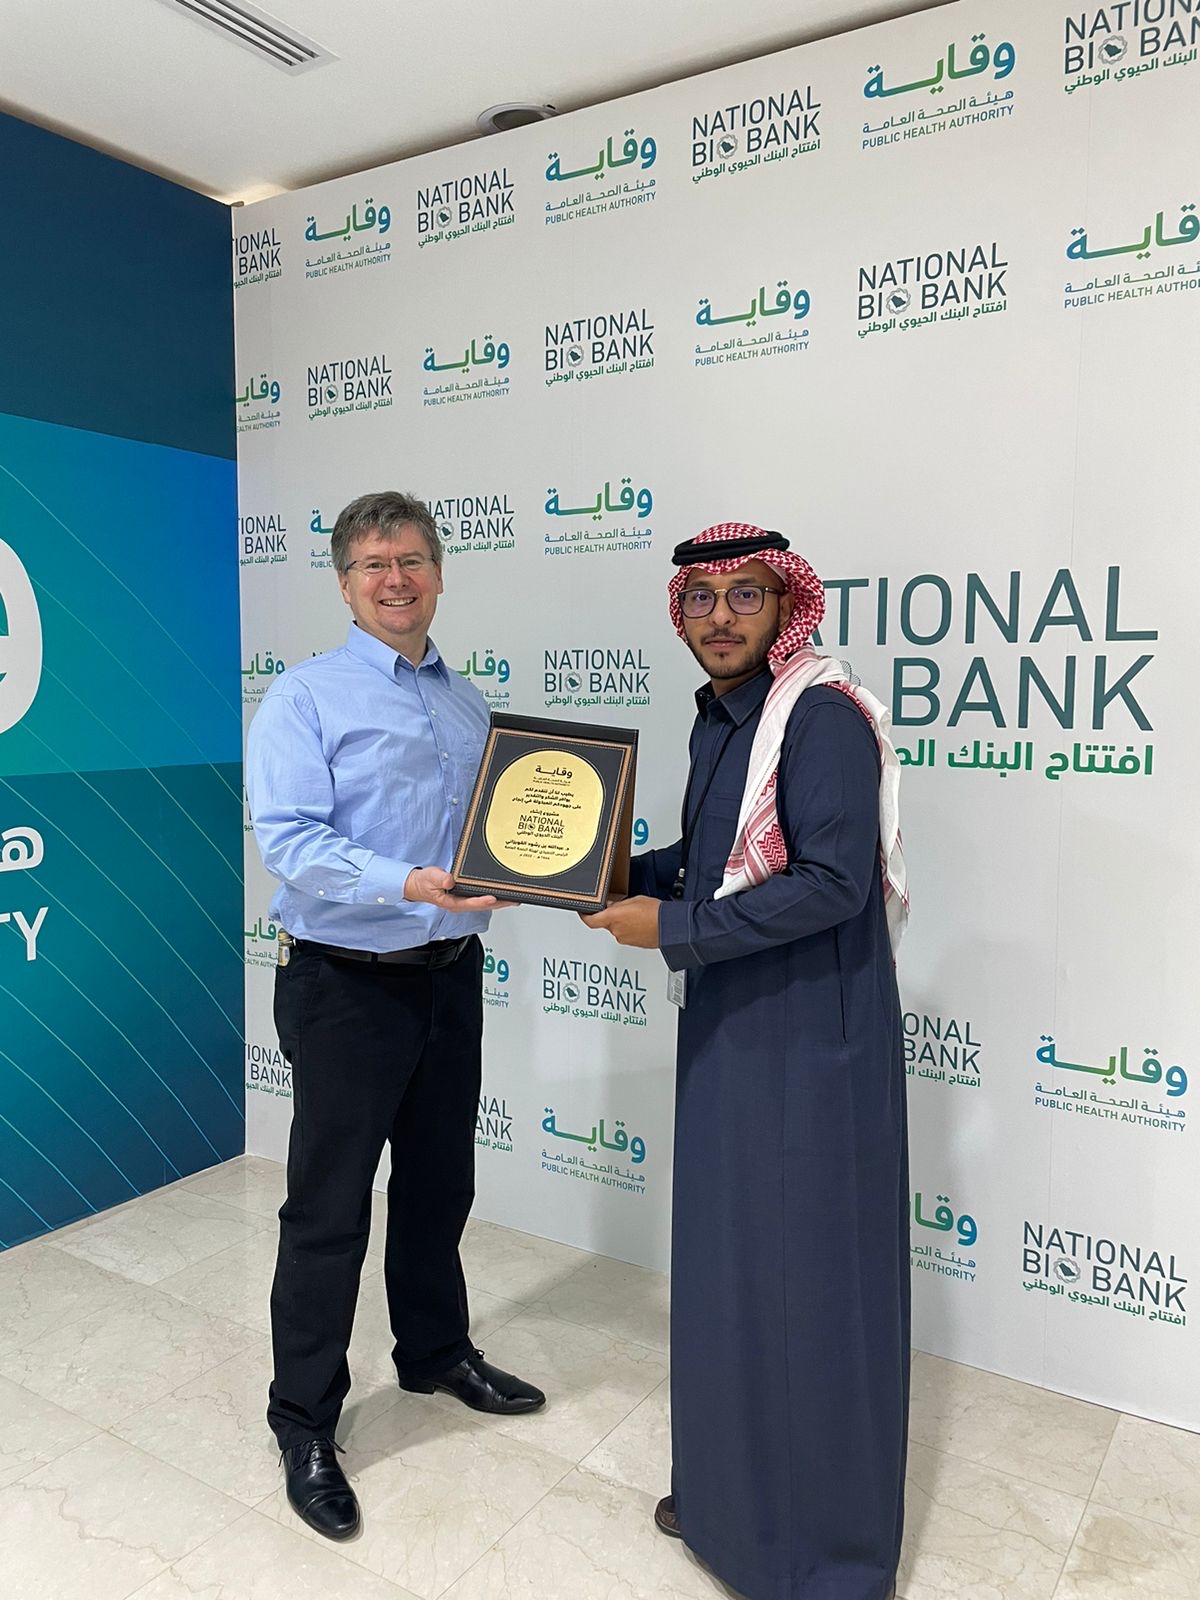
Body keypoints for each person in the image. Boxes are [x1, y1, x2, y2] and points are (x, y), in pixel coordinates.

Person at [582, 521, 910, 1600]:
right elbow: (714, 858)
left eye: (745, 595)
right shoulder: (724, 719)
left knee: (803, 1284)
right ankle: (729, 1498)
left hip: (809, 1038)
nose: (720, 617)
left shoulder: (817, 716)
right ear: (678, 612)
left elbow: (833, 883)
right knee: (731, 1269)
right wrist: (610, 871)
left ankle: (819, 1557)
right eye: (701, 598)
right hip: (734, 1019)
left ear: (785, 606)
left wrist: (670, 929)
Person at [246, 490, 544, 1542]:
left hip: (448, 975)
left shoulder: (469, 705)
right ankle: (303, 1420)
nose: (395, 579)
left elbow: (501, 834)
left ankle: (434, 1352)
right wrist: (408, 883)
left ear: (440, 573)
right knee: (329, 1209)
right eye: (373, 564)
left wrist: (541, 866)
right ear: (344, 584)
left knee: (438, 1182)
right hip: (344, 985)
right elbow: (290, 840)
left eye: (412, 559)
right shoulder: (304, 697)